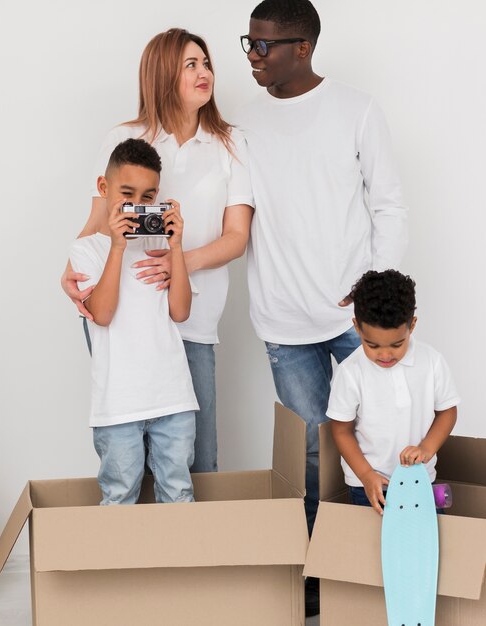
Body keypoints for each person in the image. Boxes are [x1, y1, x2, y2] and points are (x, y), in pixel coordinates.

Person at [237, 0, 408, 614]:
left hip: (352, 320)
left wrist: (375, 290)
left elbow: (387, 203)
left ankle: (383, 562)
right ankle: (319, 572)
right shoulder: (245, 124)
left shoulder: (356, 110)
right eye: (248, 43)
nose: (253, 56)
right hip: (283, 322)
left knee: (384, 437)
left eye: (263, 45)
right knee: (312, 451)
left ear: (302, 48)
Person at [62, 28, 254, 474]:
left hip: (192, 311)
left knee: (197, 458)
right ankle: (140, 542)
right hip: (124, 316)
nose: (204, 72)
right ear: (163, 73)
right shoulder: (124, 137)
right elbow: (97, 221)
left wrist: (178, 264)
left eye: (206, 63)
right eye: (191, 64)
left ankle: (192, 543)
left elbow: (236, 237)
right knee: (129, 455)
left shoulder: (231, 144)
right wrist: (70, 269)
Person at [69, 138, 199, 505]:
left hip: (171, 395)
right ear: (103, 188)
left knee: (178, 491)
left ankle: (176, 562)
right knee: (119, 493)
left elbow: (181, 312)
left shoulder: (160, 245)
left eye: (148, 197)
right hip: (118, 401)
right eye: (127, 195)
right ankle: (120, 564)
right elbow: (103, 313)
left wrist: (176, 249)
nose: (137, 207)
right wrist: (117, 246)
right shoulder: (86, 249)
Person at [328, 269, 459, 516]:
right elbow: (341, 430)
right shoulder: (350, 372)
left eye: (397, 344)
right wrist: (366, 475)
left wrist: (426, 449)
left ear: (412, 326)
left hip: (420, 481)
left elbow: (447, 411)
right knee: (374, 551)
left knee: (424, 547)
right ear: (356, 327)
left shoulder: (431, 361)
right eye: (373, 345)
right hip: (370, 486)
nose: (385, 355)